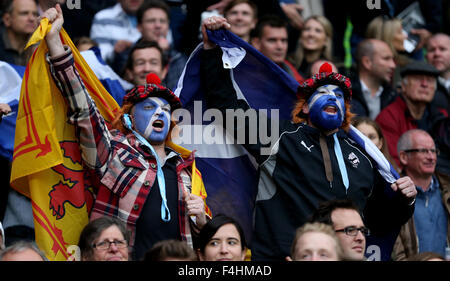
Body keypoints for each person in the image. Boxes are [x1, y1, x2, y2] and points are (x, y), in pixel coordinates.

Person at [201, 16, 417, 261]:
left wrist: (403, 200)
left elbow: (379, 221)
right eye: (322, 93)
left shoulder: (362, 156)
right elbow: (229, 109)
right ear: (304, 108)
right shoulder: (279, 137)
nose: (332, 98)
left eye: (338, 96)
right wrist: (211, 50)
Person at [43, 4, 208, 262]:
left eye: (165, 109)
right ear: (129, 117)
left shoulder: (187, 168)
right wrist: (55, 44)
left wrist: (200, 219)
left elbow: (205, 241)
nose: (159, 113)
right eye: (150, 107)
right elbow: (84, 111)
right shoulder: (114, 152)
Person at [392, 129, 450, 261]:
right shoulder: (393, 194)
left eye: (434, 151)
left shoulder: (447, 189)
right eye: (423, 151)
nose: (431, 157)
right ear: (403, 157)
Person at [375, 60, 445, 168]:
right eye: (418, 79)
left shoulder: (441, 116)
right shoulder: (389, 117)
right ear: (403, 86)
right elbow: (393, 163)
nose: (424, 84)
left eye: (430, 80)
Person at [135, 0, 188, 90]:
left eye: (162, 21)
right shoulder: (125, 55)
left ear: (168, 26)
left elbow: (177, 95)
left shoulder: (179, 59)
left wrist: (163, 53)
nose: (158, 25)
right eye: (151, 21)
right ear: (139, 27)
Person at [350, 39, 398, 120]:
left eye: (392, 59)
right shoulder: (344, 94)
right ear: (367, 62)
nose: (393, 65)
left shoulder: (392, 96)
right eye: (386, 59)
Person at [251, 15, 304, 83]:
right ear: (256, 43)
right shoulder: (244, 73)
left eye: (283, 40)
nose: (280, 47)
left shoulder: (293, 72)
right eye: (272, 40)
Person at [0, 0, 39, 65]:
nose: (32, 18)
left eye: (35, 14)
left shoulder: (39, 47)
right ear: (7, 19)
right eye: (24, 13)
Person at [426, 33, 450, 116]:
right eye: (432, 50)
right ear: (426, 56)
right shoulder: (419, 88)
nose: (437, 54)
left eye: (442, 49)